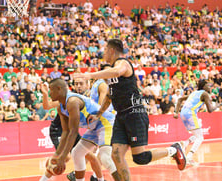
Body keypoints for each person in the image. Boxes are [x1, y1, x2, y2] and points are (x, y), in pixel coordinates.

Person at [74, 39, 186, 180]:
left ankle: (174, 150)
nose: (103, 53)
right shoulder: (111, 75)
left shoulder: (123, 64)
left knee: (140, 158)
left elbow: (117, 71)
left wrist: (90, 75)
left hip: (134, 113)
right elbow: (109, 96)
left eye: (106, 50)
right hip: (121, 117)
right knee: (115, 154)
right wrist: (99, 113)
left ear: (112, 51)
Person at [44, 78, 120, 181]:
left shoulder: (72, 102)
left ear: (59, 89)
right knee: (76, 153)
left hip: (105, 123)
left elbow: (73, 132)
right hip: (94, 127)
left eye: (51, 89)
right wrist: (57, 155)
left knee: (105, 158)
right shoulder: (60, 108)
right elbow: (65, 132)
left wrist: (62, 158)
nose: (49, 93)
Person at [174, 80, 219, 166]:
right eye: (208, 85)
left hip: (183, 113)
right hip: (190, 113)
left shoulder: (194, 93)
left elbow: (179, 99)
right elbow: (210, 110)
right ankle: (189, 157)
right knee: (200, 138)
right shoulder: (205, 94)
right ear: (203, 86)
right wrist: (217, 106)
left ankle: (185, 143)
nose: (209, 87)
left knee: (196, 134)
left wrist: (176, 112)